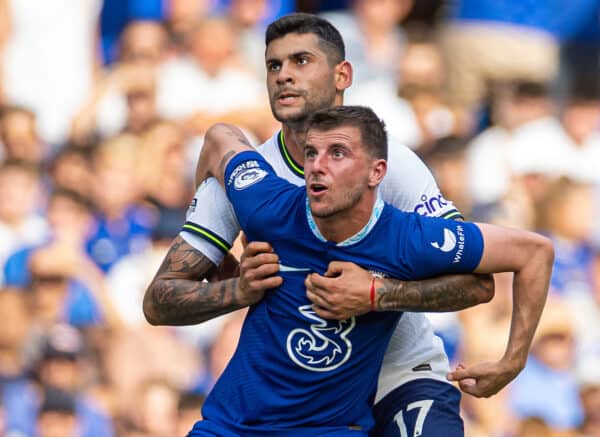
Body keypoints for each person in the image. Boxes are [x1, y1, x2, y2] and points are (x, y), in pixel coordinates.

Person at [143, 13, 496, 436]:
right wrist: (234, 290)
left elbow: (477, 282)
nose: (284, 76)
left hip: (398, 373)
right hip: (304, 392)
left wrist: (376, 295)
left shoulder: (391, 165)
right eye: (274, 66)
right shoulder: (248, 177)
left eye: (301, 61)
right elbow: (159, 301)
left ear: (342, 74)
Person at [187, 107, 552, 435]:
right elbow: (219, 137)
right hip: (229, 426)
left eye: (338, 154)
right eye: (312, 153)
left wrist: (512, 362)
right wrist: (221, 260)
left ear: (377, 172)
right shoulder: (268, 204)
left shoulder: (407, 239)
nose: (317, 165)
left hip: (331, 425)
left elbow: (535, 252)